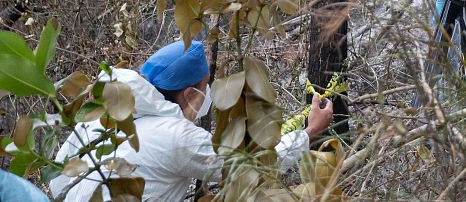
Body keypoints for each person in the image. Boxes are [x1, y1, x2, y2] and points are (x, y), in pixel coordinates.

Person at [50, 40, 333, 201]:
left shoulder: (101, 114)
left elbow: (57, 183)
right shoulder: (176, 136)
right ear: (188, 93)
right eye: (205, 86)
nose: (207, 94)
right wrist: (309, 132)